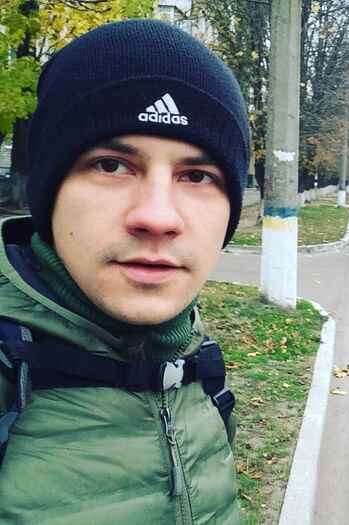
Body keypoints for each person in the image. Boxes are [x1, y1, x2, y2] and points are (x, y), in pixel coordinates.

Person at [0, 19, 250, 524]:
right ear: (49, 195)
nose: (158, 216)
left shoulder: (197, 365)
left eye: (197, 175)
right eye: (112, 165)